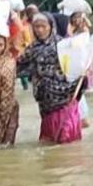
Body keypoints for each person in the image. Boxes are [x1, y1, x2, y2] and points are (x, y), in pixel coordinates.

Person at [17, 13, 83, 144]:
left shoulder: (64, 45)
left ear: (51, 26)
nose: (40, 30)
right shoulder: (32, 49)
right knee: (51, 139)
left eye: (43, 26)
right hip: (46, 100)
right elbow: (17, 67)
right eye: (36, 27)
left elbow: (77, 66)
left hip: (66, 96)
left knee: (66, 138)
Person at [69, 11, 93, 128]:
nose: (77, 20)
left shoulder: (85, 30)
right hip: (74, 63)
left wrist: (84, 18)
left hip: (83, 62)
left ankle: (82, 118)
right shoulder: (72, 30)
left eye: (78, 18)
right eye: (75, 18)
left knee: (80, 90)